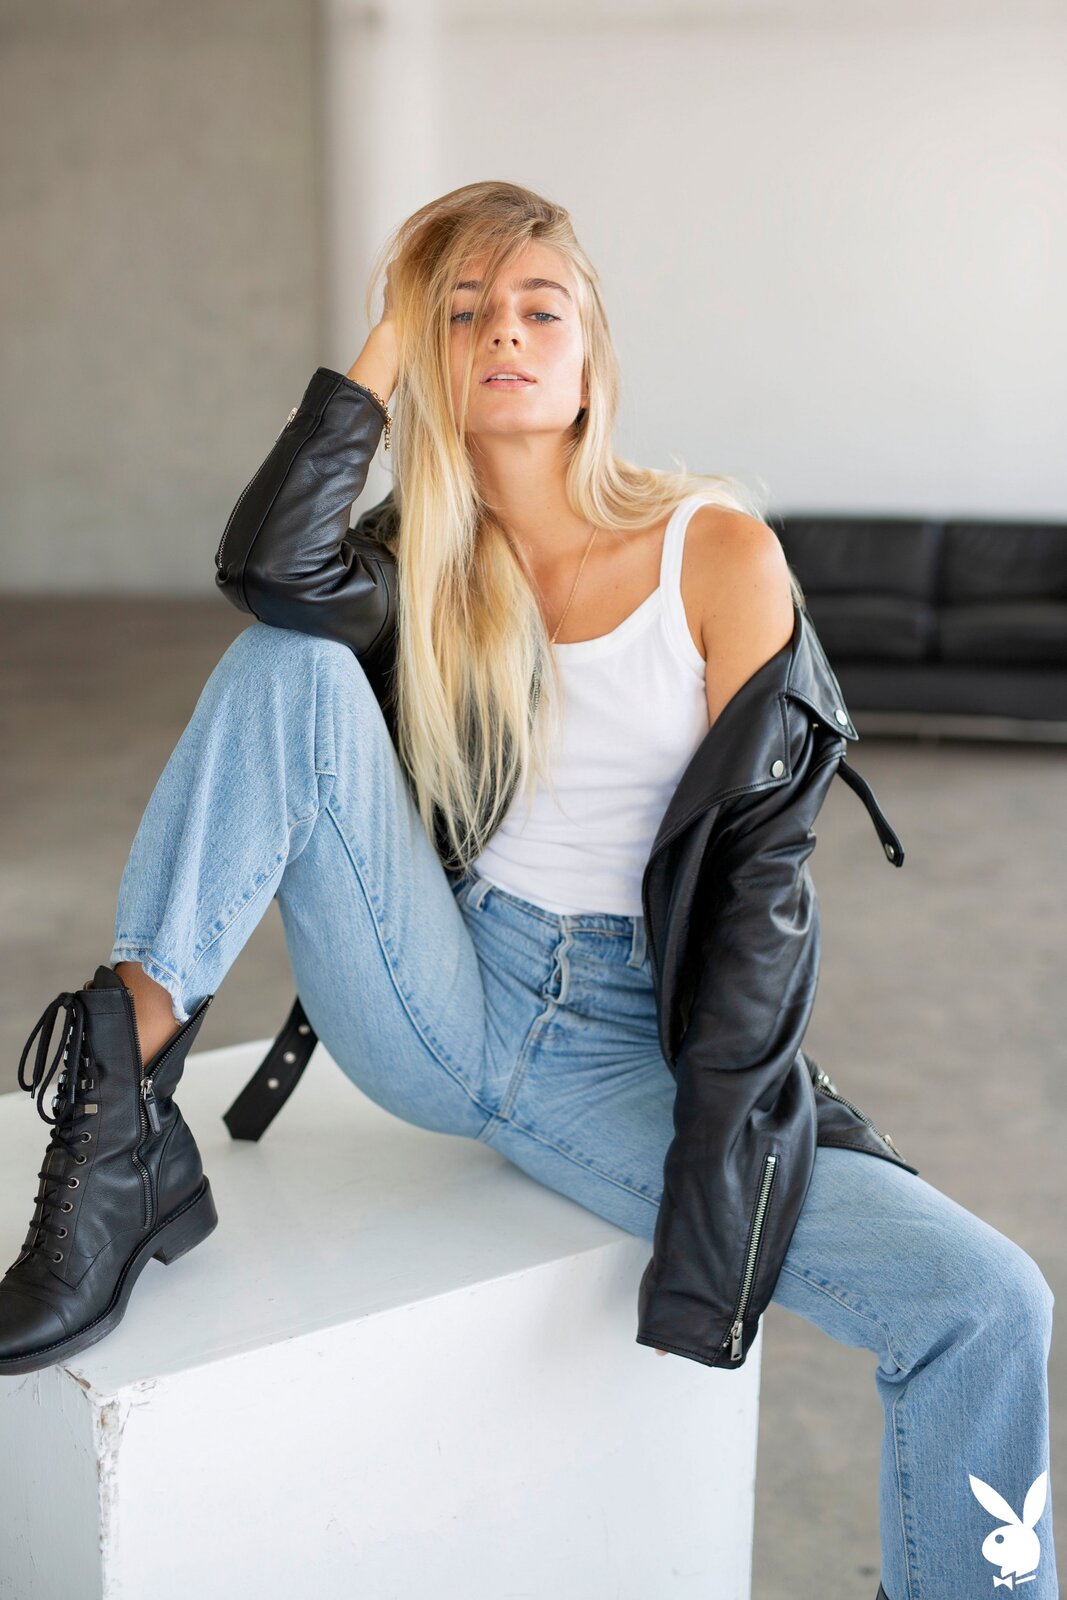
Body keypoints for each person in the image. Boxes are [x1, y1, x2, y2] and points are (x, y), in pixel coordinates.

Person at [1, 181, 1056, 1598]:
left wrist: (728, 1156)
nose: (504, 330)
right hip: (438, 989)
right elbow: (267, 567)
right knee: (285, 661)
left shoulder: (717, 551)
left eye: (539, 307)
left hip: (631, 1047)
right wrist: (391, 328)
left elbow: (760, 891)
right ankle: (123, 1113)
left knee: (990, 1302)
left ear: (591, 354)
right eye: (463, 313)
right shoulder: (418, 566)